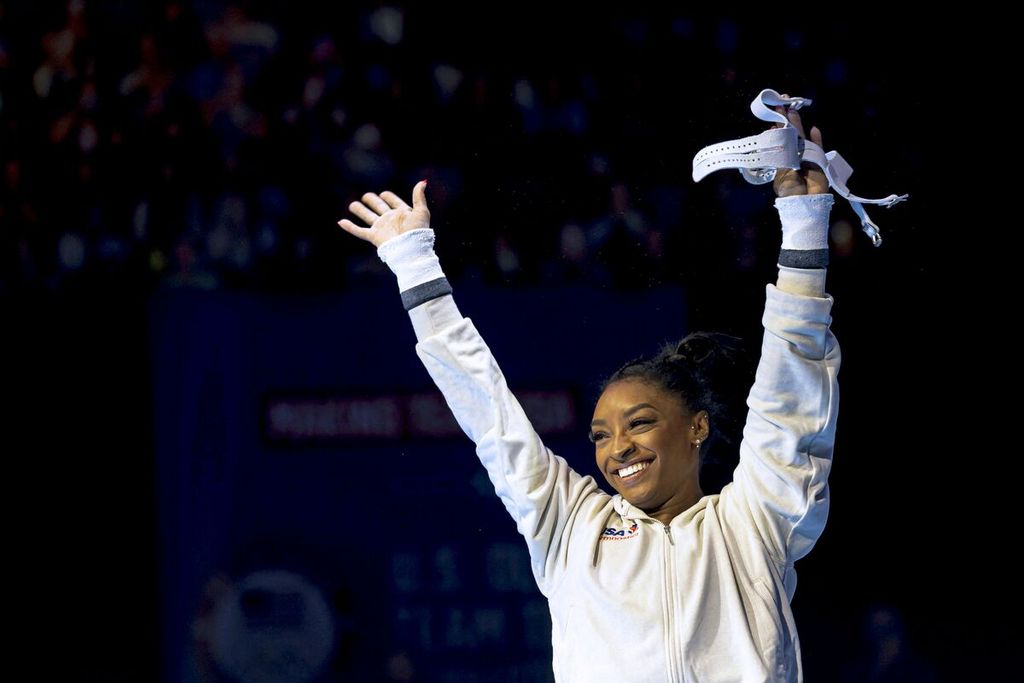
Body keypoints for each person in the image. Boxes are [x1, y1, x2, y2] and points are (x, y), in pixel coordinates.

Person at [338, 104, 839, 683]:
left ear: (697, 427)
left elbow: (790, 400)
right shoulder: (570, 525)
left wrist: (804, 221)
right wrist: (414, 263)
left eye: (641, 423)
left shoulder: (753, 522)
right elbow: (489, 412)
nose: (617, 448)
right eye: (601, 435)